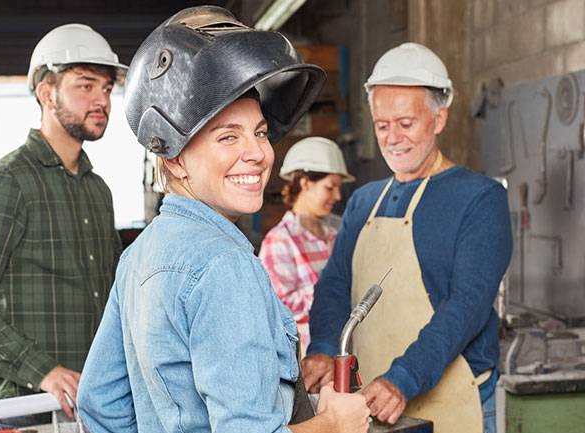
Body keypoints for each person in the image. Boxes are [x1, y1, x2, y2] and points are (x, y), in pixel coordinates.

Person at [75, 7, 370, 433]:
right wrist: (334, 424)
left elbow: (100, 403)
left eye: (260, 132)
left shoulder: (138, 256)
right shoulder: (224, 265)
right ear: (174, 159)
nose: (258, 153)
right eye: (228, 136)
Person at [302, 42, 512, 433]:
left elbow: (466, 305)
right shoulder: (363, 201)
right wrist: (324, 348)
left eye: (406, 123)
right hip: (371, 400)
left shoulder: (480, 199)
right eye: (382, 125)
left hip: (455, 400)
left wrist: (404, 377)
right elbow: (335, 285)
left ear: (439, 118)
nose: (393, 137)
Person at [0, 23, 126, 428]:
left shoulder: (98, 191)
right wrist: (42, 370)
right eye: (85, 86)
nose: (101, 100)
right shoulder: (7, 183)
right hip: (17, 408)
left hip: (85, 406)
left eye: (107, 88)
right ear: (47, 92)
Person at [259, 136, 355, 356]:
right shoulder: (280, 241)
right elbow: (281, 307)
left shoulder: (337, 233)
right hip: (310, 359)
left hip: (348, 351)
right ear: (305, 183)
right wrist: (336, 290)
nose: (337, 196)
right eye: (330, 187)